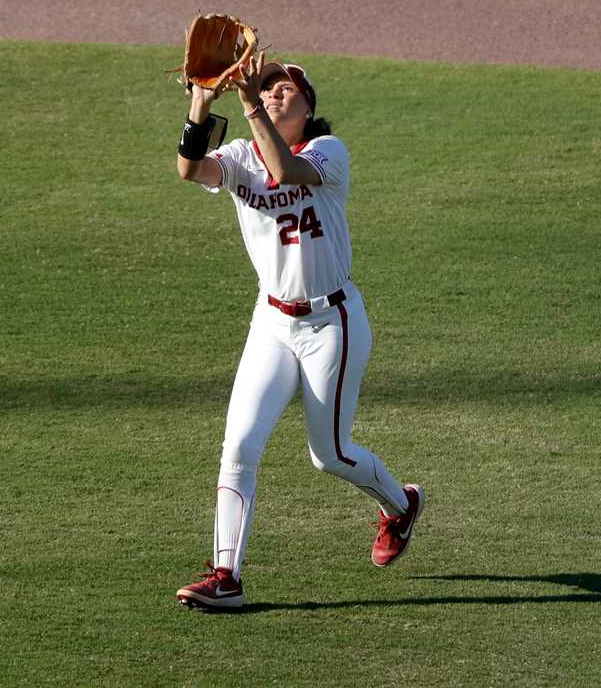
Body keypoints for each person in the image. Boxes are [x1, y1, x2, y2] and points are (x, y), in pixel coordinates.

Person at [173, 49, 424, 610]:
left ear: (309, 105)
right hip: (271, 321)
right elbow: (191, 169)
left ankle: (400, 505)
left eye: (284, 87)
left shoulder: (329, 153)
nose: (271, 92)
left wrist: (247, 105)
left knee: (328, 454)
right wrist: (199, 103)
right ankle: (226, 576)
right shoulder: (238, 155)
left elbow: (285, 171)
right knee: (238, 444)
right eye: (264, 87)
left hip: (331, 322)